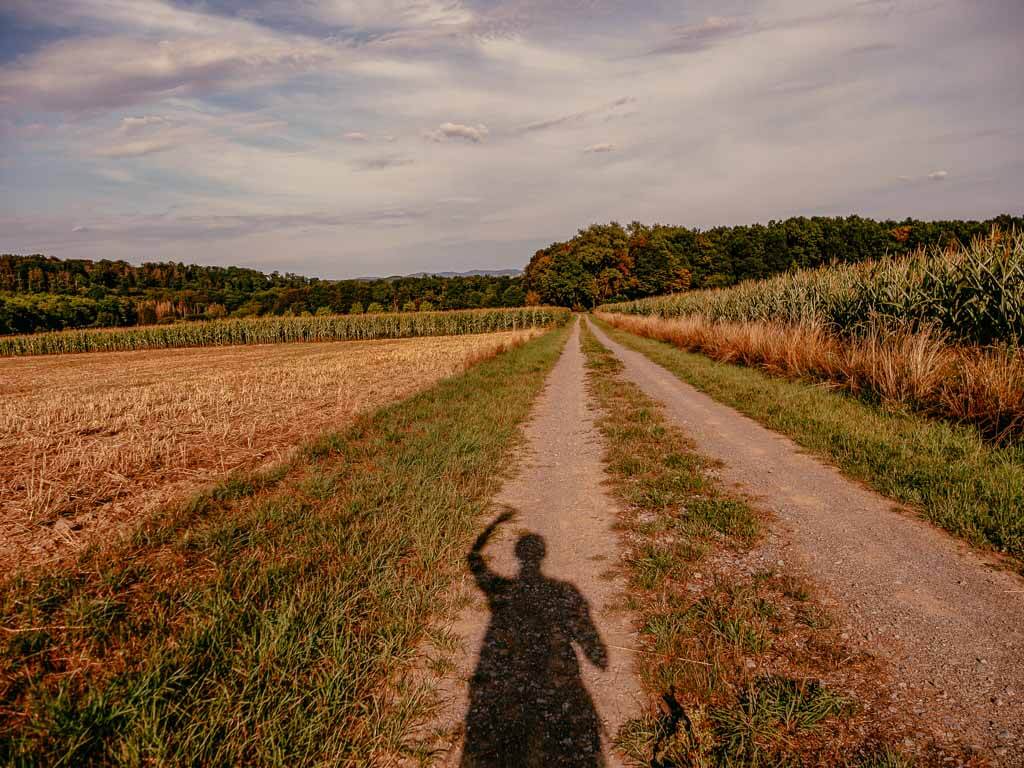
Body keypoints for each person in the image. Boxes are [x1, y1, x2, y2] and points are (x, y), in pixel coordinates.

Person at [461, 510, 608, 767]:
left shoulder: (503, 589)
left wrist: (495, 525)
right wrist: (593, 651)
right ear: (543, 554)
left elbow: (475, 561)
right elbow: (586, 633)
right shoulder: (564, 591)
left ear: (518, 555)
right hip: (557, 674)